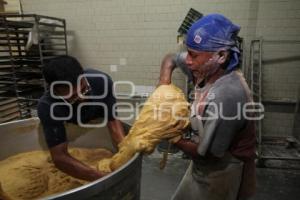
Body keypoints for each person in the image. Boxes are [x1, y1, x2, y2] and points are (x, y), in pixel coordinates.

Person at [159, 14, 256, 200]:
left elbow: (209, 155)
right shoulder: (201, 68)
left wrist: (172, 136)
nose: (187, 60)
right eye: (188, 52)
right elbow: (170, 59)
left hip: (223, 170)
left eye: (193, 55)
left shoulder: (227, 94)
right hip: (200, 165)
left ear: (220, 56)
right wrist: (163, 86)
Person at [37, 55, 125, 181]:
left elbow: (113, 122)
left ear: (83, 76)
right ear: (56, 91)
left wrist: (126, 151)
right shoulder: (48, 106)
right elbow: (59, 157)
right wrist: (102, 178)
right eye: (73, 97)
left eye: (84, 89)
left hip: (96, 120)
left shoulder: (101, 81)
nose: (83, 98)